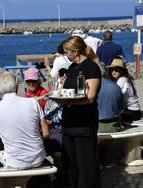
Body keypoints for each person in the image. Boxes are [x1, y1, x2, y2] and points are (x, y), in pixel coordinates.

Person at [60, 36, 101, 188]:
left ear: (76, 51)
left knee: (86, 165)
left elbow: (90, 97)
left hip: (84, 123)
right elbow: (65, 91)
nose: (65, 55)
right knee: (70, 164)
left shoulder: (91, 68)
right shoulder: (71, 68)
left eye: (67, 52)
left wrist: (69, 101)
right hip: (68, 122)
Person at [0, 71, 50, 169]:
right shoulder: (33, 102)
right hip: (38, 158)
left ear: (0, 89)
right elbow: (46, 132)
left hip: (15, 162)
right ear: (17, 86)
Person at [109, 58, 141, 124]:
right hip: (136, 111)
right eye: (112, 70)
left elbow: (116, 97)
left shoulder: (122, 80)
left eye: (116, 70)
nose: (113, 72)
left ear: (121, 70)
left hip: (130, 112)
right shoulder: (129, 79)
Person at [97, 62, 125, 133]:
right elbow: (121, 108)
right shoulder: (116, 87)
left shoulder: (91, 87)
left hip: (95, 126)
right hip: (114, 126)